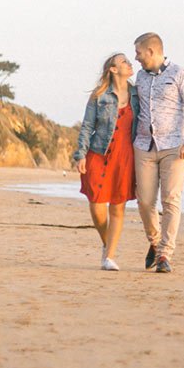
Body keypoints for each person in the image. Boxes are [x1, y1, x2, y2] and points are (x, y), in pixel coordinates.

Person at [133, 32, 184, 274]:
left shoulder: (179, 74)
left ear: (151, 51)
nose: (136, 57)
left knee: (171, 199)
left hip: (174, 148)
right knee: (145, 201)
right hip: (143, 146)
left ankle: (164, 254)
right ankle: (154, 240)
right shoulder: (139, 77)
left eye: (139, 52)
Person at [72, 53, 139, 271]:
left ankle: (109, 256)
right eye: (124, 62)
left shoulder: (137, 94)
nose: (130, 64)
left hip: (125, 156)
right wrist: (80, 154)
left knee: (118, 208)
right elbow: (87, 126)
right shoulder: (99, 95)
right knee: (97, 204)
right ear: (113, 69)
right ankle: (106, 242)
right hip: (98, 153)